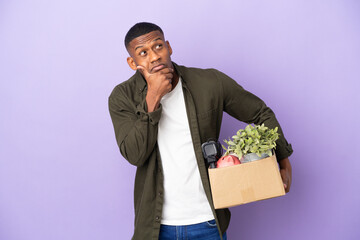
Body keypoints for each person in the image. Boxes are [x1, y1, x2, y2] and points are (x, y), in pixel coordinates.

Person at [108, 22, 293, 240]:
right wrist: (153, 97)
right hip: (156, 229)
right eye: (143, 53)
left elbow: (261, 113)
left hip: (208, 222)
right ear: (132, 62)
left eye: (158, 46)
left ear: (168, 46)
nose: (154, 56)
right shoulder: (122, 97)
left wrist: (284, 162)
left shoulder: (209, 82)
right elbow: (134, 154)